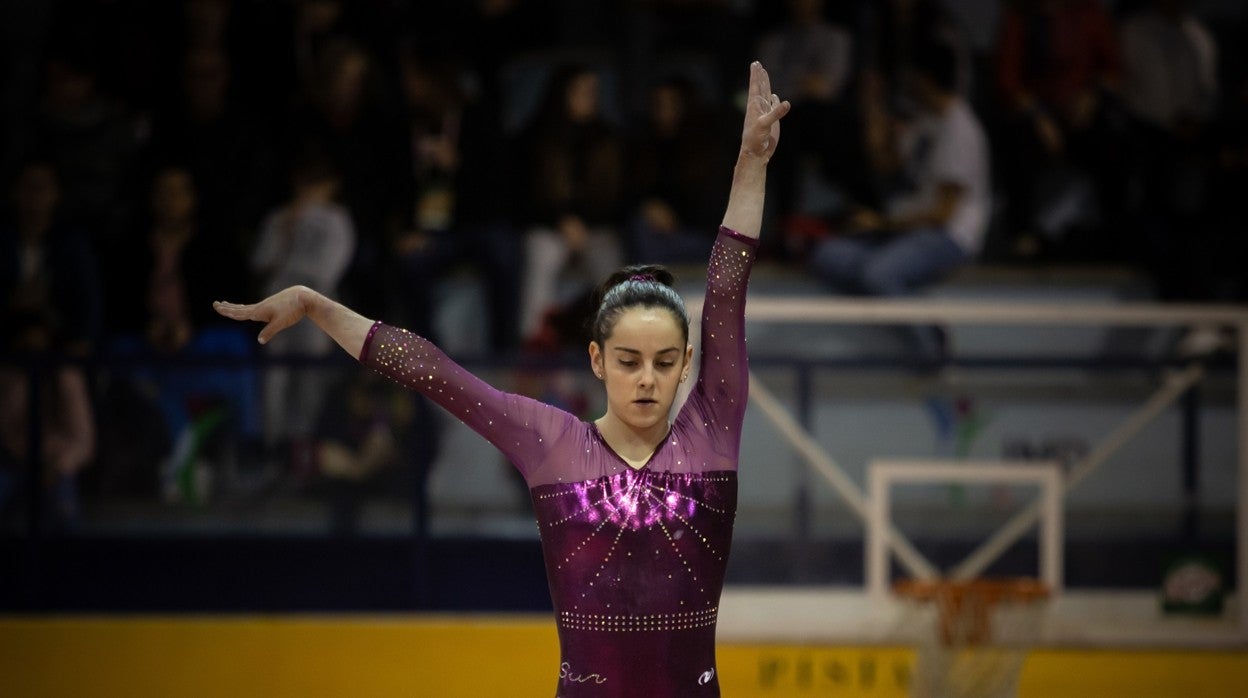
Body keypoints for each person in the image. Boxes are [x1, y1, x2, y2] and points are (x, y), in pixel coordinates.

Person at [213, 61, 790, 697]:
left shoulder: (710, 429)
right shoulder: (552, 441)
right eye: (628, 361)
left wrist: (749, 168)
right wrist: (321, 307)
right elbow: (434, 373)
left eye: (663, 361)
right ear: (597, 361)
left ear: (687, 364)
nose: (647, 379)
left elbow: (727, 288)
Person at [805, 41, 991, 365]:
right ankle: (900, 299)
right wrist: (873, 102)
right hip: (905, 230)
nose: (906, 85)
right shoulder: (927, 120)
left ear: (927, 79)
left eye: (912, 77)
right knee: (828, 255)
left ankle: (932, 343)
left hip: (950, 236)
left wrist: (881, 225)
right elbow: (884, 162)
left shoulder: (961, 130)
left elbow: (942, 214)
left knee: (878, 274)